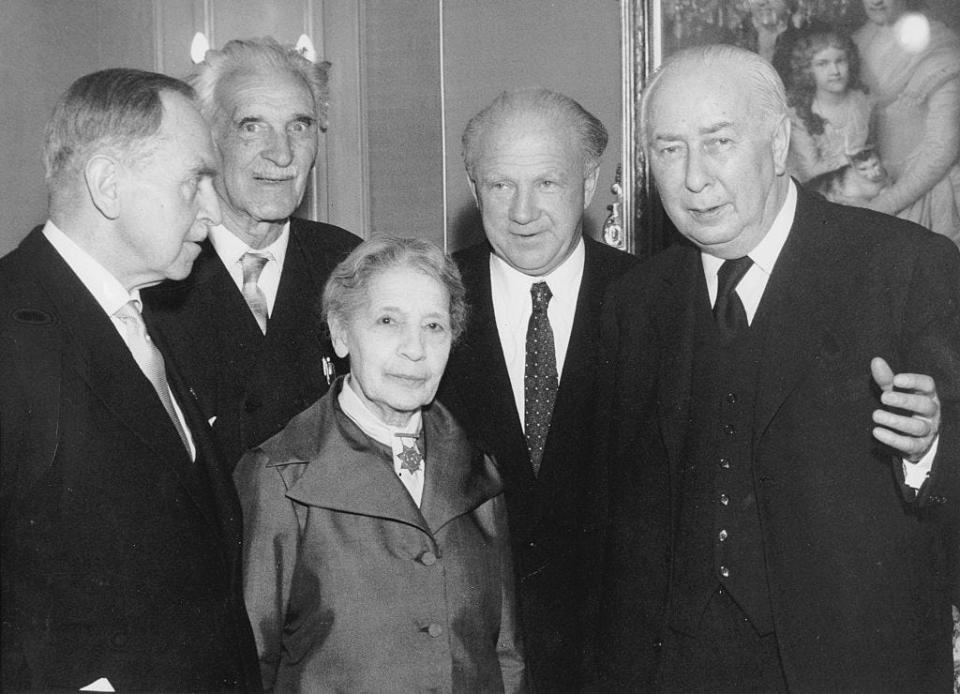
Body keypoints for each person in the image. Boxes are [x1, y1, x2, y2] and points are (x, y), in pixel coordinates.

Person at [597, 45, 959, 692]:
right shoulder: (636, 301)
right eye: (669, 150)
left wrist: (929, 446)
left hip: (852, 669)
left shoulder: (904, 268)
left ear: (779, 140)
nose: (694, 179)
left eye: (718, 142)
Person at [0, 69, 260, 692]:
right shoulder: (11, 325)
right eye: (194, 180)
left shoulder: (145, 316)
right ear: (108, 185)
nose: (214, 209)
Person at [235, 236, 525, 693]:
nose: (415, 349)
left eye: (434, 326)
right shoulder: (280, 475)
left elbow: (505, 655)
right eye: (388, 321)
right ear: (341, 332)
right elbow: (249, 663)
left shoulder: (478, 470)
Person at [437, 88, 639, 692]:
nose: (523, 212)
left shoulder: (654, 301)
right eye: (500, 185)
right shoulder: (426, 302)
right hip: (470, 662)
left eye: (547, 183)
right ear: (474, 190)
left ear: (589, 180)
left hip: (617, 664)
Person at [144, 37, 361, 468]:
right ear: (207, 140)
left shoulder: (350, 262)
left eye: (299, 126)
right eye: (251, 126)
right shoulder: (154, 275)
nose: (281, 154)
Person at [853, 0, 960, 245]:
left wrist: (881, 206)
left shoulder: (941, 48)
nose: (876, 1)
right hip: (870, 183)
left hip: (928, 194)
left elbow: (941, 150)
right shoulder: (857, 42)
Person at [786, 26, 875, 182]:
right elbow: (810, 173)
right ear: (808, 70)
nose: (835, 71)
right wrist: (850, 159)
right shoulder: (800, 114)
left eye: (840, 61)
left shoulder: (863, 101)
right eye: (822, 64)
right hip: (822, 188)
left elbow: (876, 148)